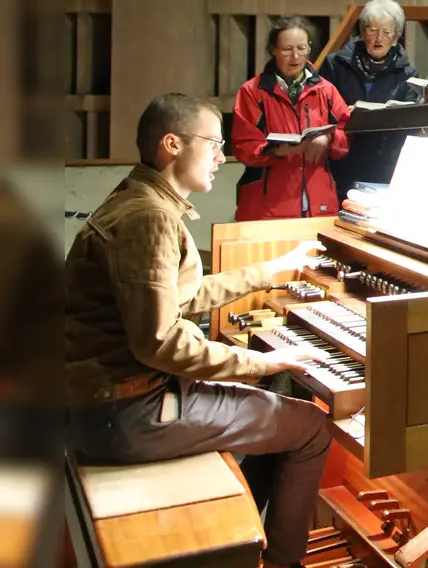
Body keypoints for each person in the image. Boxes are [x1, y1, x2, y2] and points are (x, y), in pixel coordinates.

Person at [65, 93, 336, 568]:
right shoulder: (149, 218)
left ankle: (245, 532)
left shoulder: (142, 199)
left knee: (277, 399)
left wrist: (273, 269)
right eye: (213, 144)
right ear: (172, 144)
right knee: (312, 427)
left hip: (114, 401)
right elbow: (159, 342)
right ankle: (281, 561)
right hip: (126, 413)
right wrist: (260, 361)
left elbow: (181, 297)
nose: (222, 157)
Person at [232, 16, 352, 221]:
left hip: (318, 200)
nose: (295, 56)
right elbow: (243, 146)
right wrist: (277, 150)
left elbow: (346, 134)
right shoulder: (252, 92)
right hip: (268, 205)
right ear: (273, 50)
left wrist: (328, 139)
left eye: (301, 48)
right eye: (287, 49)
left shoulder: (326, 90)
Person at [321, 0, 420, 200]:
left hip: (385, 163)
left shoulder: (408, 73)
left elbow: (410, 122)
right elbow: (321, 110)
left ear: (396, 37)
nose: (378, 38)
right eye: (373, 30)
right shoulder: (335, 65)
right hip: (342, 161)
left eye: (386, 32)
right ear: (363, 31)